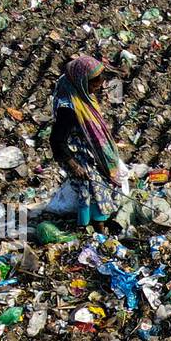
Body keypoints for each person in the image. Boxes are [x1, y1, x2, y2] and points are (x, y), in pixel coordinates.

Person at [50, 55, 123, 226]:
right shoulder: (68, 108)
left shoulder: (79, 91)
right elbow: (56, 140)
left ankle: (97, 223)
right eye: (92, 85)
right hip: (76, 153)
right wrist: (74, 165)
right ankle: (92, 227)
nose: (95, 90)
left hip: (89, 149)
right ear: (82, 82)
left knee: (101, 184)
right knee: (91, 188)